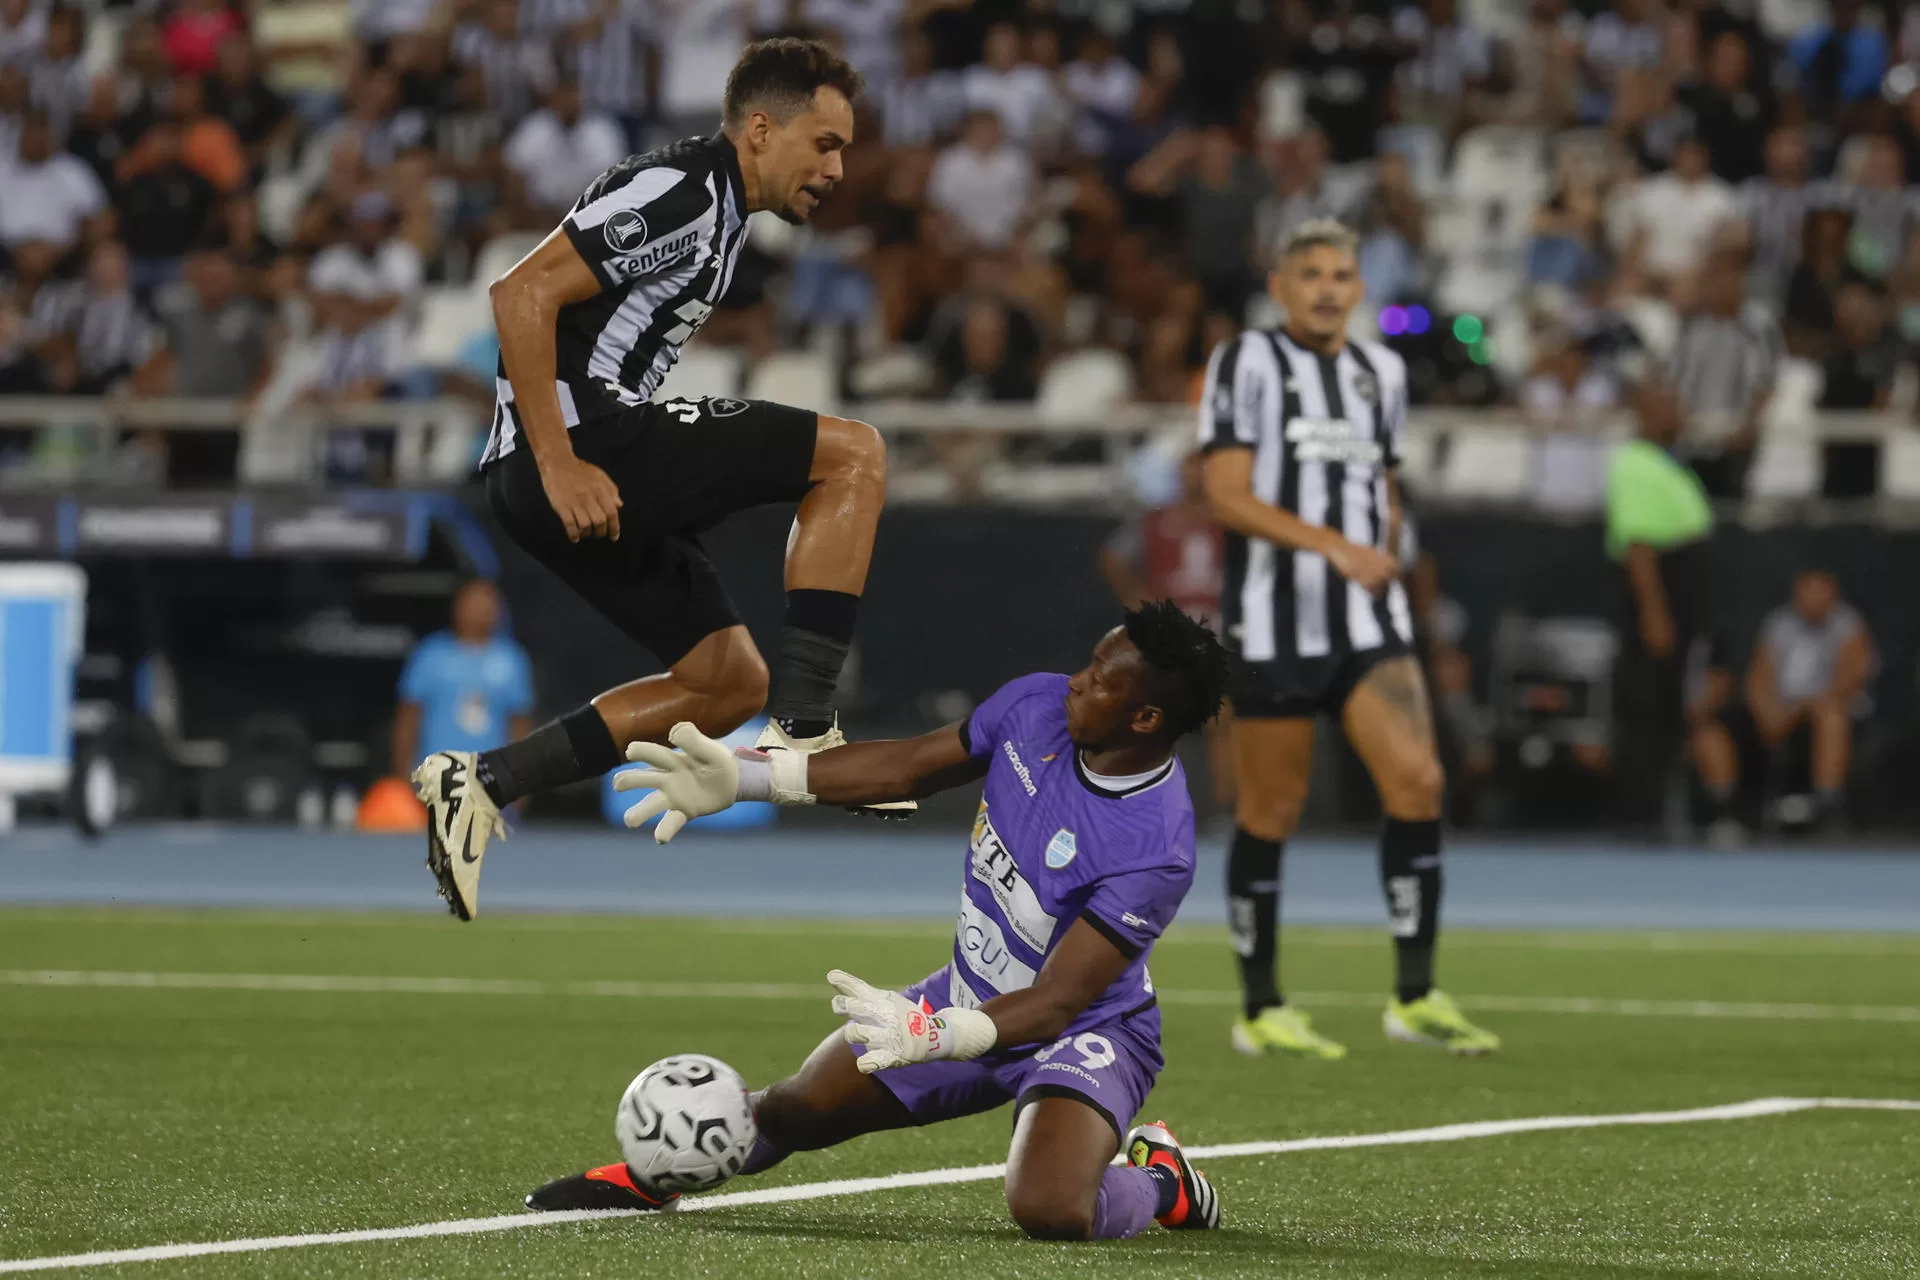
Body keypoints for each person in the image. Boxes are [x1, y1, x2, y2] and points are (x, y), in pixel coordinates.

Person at [525, 602, 1231, 1241]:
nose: (1076, 682)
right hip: (965, 995)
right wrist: (750, 778)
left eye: (1103, 680)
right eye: (1088, 663)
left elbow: (1057, 1005)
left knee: (1049, 1207)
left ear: (1146, 719)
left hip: (1085, 1034)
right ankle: (653, 1175)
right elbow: (909, 768)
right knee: (794, 1110)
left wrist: (937, 1034)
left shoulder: (1157, 847)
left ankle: (1163, 1179)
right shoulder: (1035, 706)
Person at [413, 39, 896, 922]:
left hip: (567, 465)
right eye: (824, 143)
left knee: (725, 682)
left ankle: (485, 781)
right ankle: (807, 727)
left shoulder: (721, 209)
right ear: (759, 128)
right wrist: (558, 460)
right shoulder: (685, 189)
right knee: (854, 453)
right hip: (579, 448)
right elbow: (518, 295)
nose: (837, 166)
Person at [1198, 218, 1498, 1061]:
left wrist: (1388, 564)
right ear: (1283, 287)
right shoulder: (1245, 362)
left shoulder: (1380, 373)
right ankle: (1260, 1007)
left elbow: (1385, 487)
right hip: (1274, 618)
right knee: (1272, 810)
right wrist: (1333, 546)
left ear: (1360, 287)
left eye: (1341, 274)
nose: (1328, 288)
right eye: (1312, 274)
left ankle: (1417, 995)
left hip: (1370, 619)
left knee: (1419, 780)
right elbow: (1225, 492)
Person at [1605, 370, 1714, 834]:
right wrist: (1655, 613)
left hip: (1678, 599)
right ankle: (1637, 813)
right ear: (1647, 413)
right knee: (1645, 707)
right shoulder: (1636, 463)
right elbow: (1640, 548)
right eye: (1669, 405)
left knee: (1668, 708)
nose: (1680, 414)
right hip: (1657, 602)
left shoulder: (1669, 462)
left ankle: (1657, 810)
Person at [1100, 453, 1231, 809]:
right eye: (1188, 470)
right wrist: (1138, 599)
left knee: (1225, 717)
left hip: (1218, 626)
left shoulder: (1230, 516)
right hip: (1172, 627)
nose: (1194, 478)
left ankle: (1225, 804)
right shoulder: (1156, 519)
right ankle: (1139, 796)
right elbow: (1114, 555)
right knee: (1150, 712)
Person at [1735, 572, 1873, 830]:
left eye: (1820, 593)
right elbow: (1758, 677)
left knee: (1831, 718)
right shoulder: (1778, 624)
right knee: (1748, 717)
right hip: (1784, 707)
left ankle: (1827, 803)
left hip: (1828, 704)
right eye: (1807, 592)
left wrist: (1805, 706)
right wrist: (1767, 709)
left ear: (1833, 596)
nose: (1813, 600)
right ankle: (1741, 811)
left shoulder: (1848, 624)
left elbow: (1849, 679)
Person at [392, 580, 535, 780]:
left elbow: (520, 727)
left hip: (490, 783)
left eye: (489, 601)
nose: (483, 608)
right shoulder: (430, 655)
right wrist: (401, 776)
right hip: (436, 780)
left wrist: (522, 781)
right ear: (458, 605)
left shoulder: (511, 660)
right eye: (474, 601)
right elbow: (408, 720)